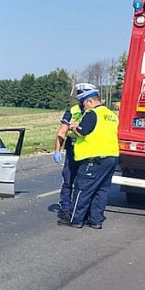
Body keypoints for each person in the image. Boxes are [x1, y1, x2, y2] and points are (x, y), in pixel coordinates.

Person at [59, 86, 119, 229]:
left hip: (93, 158)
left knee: (82, 190)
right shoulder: (111, 115)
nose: (83, 107)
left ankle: (76, 220)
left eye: (84, 103)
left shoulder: (93, 113)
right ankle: (96, 221)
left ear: (90, 101)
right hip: (111, 157)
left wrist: (74, 126)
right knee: (101, 191)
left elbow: (81, 132)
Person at [52, 83, 94, 221]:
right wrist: (57, 150)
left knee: (84, 183)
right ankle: (65, 209)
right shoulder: (72, 110)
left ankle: (82, 211)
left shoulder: (95, 111)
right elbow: (62, 132)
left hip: (89, 150)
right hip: (73, 149)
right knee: (68, 179)